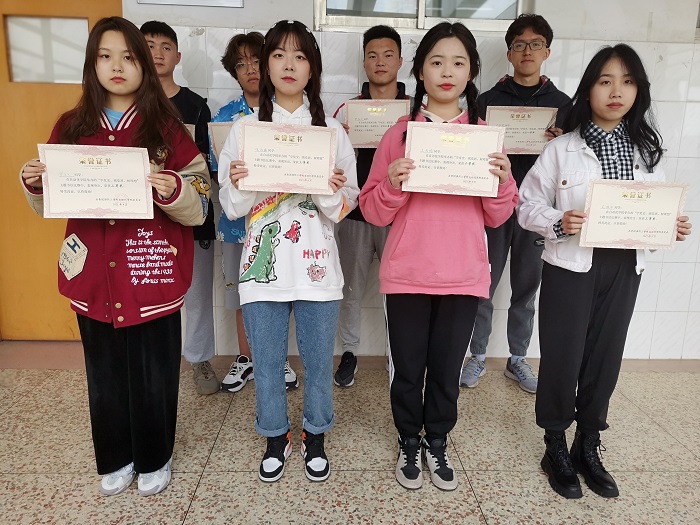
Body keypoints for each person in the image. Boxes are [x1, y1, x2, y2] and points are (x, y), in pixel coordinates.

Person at [20, 17, 210, 497]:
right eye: (105, 56)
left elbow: (201, 200)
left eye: (128, 56)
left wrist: (174, 189)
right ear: (92, 64)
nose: (117, 66)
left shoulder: (167, 127)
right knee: (103, 374)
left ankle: (155, 457)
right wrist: (35, 183)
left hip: (150, 271)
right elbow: (51, 200)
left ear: (144, 64)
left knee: (153, 374)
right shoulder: (72, 126)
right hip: (92, 275)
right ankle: (116, 456)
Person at [517, 43, 692, 499]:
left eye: (628, 82)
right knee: (563, 355)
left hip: (624, 266)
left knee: (605, 357)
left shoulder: (647, 152)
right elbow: (526, 205)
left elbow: (655, 208)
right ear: (589, 88)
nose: (617, 91)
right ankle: (555, 443)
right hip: (571, 265)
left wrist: (670, 226)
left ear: (639, 91)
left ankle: (588, 443)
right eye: (606, 81)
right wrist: (559, 221)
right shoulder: (561, 149)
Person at [360, 22, 517, 491]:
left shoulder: (486, 138)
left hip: (463, 275)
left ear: (471, 73)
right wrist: (392, 183)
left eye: (458, 62)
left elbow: (498, 216)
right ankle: (409, 439)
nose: (447, 72)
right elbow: (372, 209)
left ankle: (437, 440)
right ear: (421, 72)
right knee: (408, 370)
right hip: (408, 273)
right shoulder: (399, 135)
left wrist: (503, 180)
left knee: (447, 371)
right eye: (436, 61)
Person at [218, 20, 359, 483]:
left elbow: (345, 204)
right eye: (279, 55)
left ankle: (315, 433)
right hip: (263, 271)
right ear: (266, 66)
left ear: (312, 68)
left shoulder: (331, 132)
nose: (289, 65)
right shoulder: (245, 130)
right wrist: (241, 182)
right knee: (267, 364)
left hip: (318, 269)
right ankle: (275, 435)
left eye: (300, 56)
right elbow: (232, 205)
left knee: (318, 365)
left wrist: (327, 188)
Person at [460, 14, 571, 394]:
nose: (527, 51)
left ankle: (518, 358)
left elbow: (573, 160)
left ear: (547, 51)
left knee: (527, 288)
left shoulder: (564, 106)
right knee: (483, 284)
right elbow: (468, 152)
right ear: (509, 53)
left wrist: (562, 141)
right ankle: (476, 355)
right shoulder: (486, 101)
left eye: (535, 44)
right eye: (519, 44)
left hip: (538, 211)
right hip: (493, 206)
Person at [212, 31, 299, 393]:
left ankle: (278, 359)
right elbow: (220, 173)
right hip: (237, 224)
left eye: (256, 61)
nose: (250, 69)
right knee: (240, 294)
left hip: (280, 220)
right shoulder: (224, 118)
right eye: (240, 64)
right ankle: (247, 358)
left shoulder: (290, 113)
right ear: (233, 71)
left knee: (280, 291)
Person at [140, 20, 218, 395]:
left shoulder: (195, 106)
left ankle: (199, 359)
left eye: (165, 47)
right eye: (148, 45)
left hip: (188, 217)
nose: (157, 53)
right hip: (140, 220)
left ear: (178, 56)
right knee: (147, 293)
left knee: (197, 294)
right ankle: (151, 361)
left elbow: (204, 167)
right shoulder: (125, 104)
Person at [332, 25, 409, 387]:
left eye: (388, 55)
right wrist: (340, 138)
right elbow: (330, 160)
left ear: (401, 61)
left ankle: (400, 356)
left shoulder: (416, 112)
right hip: (356, 215)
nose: (380, 62)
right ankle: (349, 352)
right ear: (364, 62)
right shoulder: (346, 111)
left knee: (401, 292)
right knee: (350, 288)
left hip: (402, 216)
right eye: (372, 55)